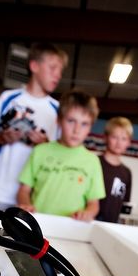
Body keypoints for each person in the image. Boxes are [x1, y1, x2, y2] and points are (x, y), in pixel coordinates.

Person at [0, 42, 68, 211]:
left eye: (60, 71)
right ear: (34, 66)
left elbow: (62, 156)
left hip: (32, 199)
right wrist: (2, 137)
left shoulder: (58, 110)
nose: (58, 75)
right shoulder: (9, 98)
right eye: (53, 68)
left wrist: (46, 145)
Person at [17, 89, 105, 221]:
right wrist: (26, 205)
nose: (77, 130)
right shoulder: (40, 151)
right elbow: (24, 190)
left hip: (71, 229)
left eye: (84, 124)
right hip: (36, 224)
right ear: (59, 120)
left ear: (90, 127)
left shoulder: (92, 161)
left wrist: (87, 213)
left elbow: (94, 204)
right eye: (71, 121)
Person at [96, 116, 133, 223]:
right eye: (114, 137)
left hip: (112, 224)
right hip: (89, 221)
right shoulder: (94, 163)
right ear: (105, 137)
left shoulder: (127, 172)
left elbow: (123, 203)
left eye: (124, 139)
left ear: (129, 142)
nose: (119, 142)